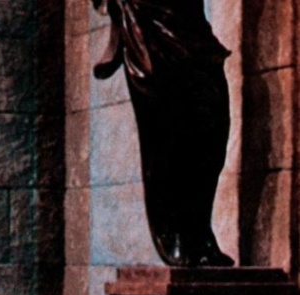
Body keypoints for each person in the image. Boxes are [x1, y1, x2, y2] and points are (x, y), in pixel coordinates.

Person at [92, 0, 234, 267]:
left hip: (190, 26)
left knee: (211, 132)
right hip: (149, 27)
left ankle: (200, 231)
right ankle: (175, 235)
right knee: (167, 135)